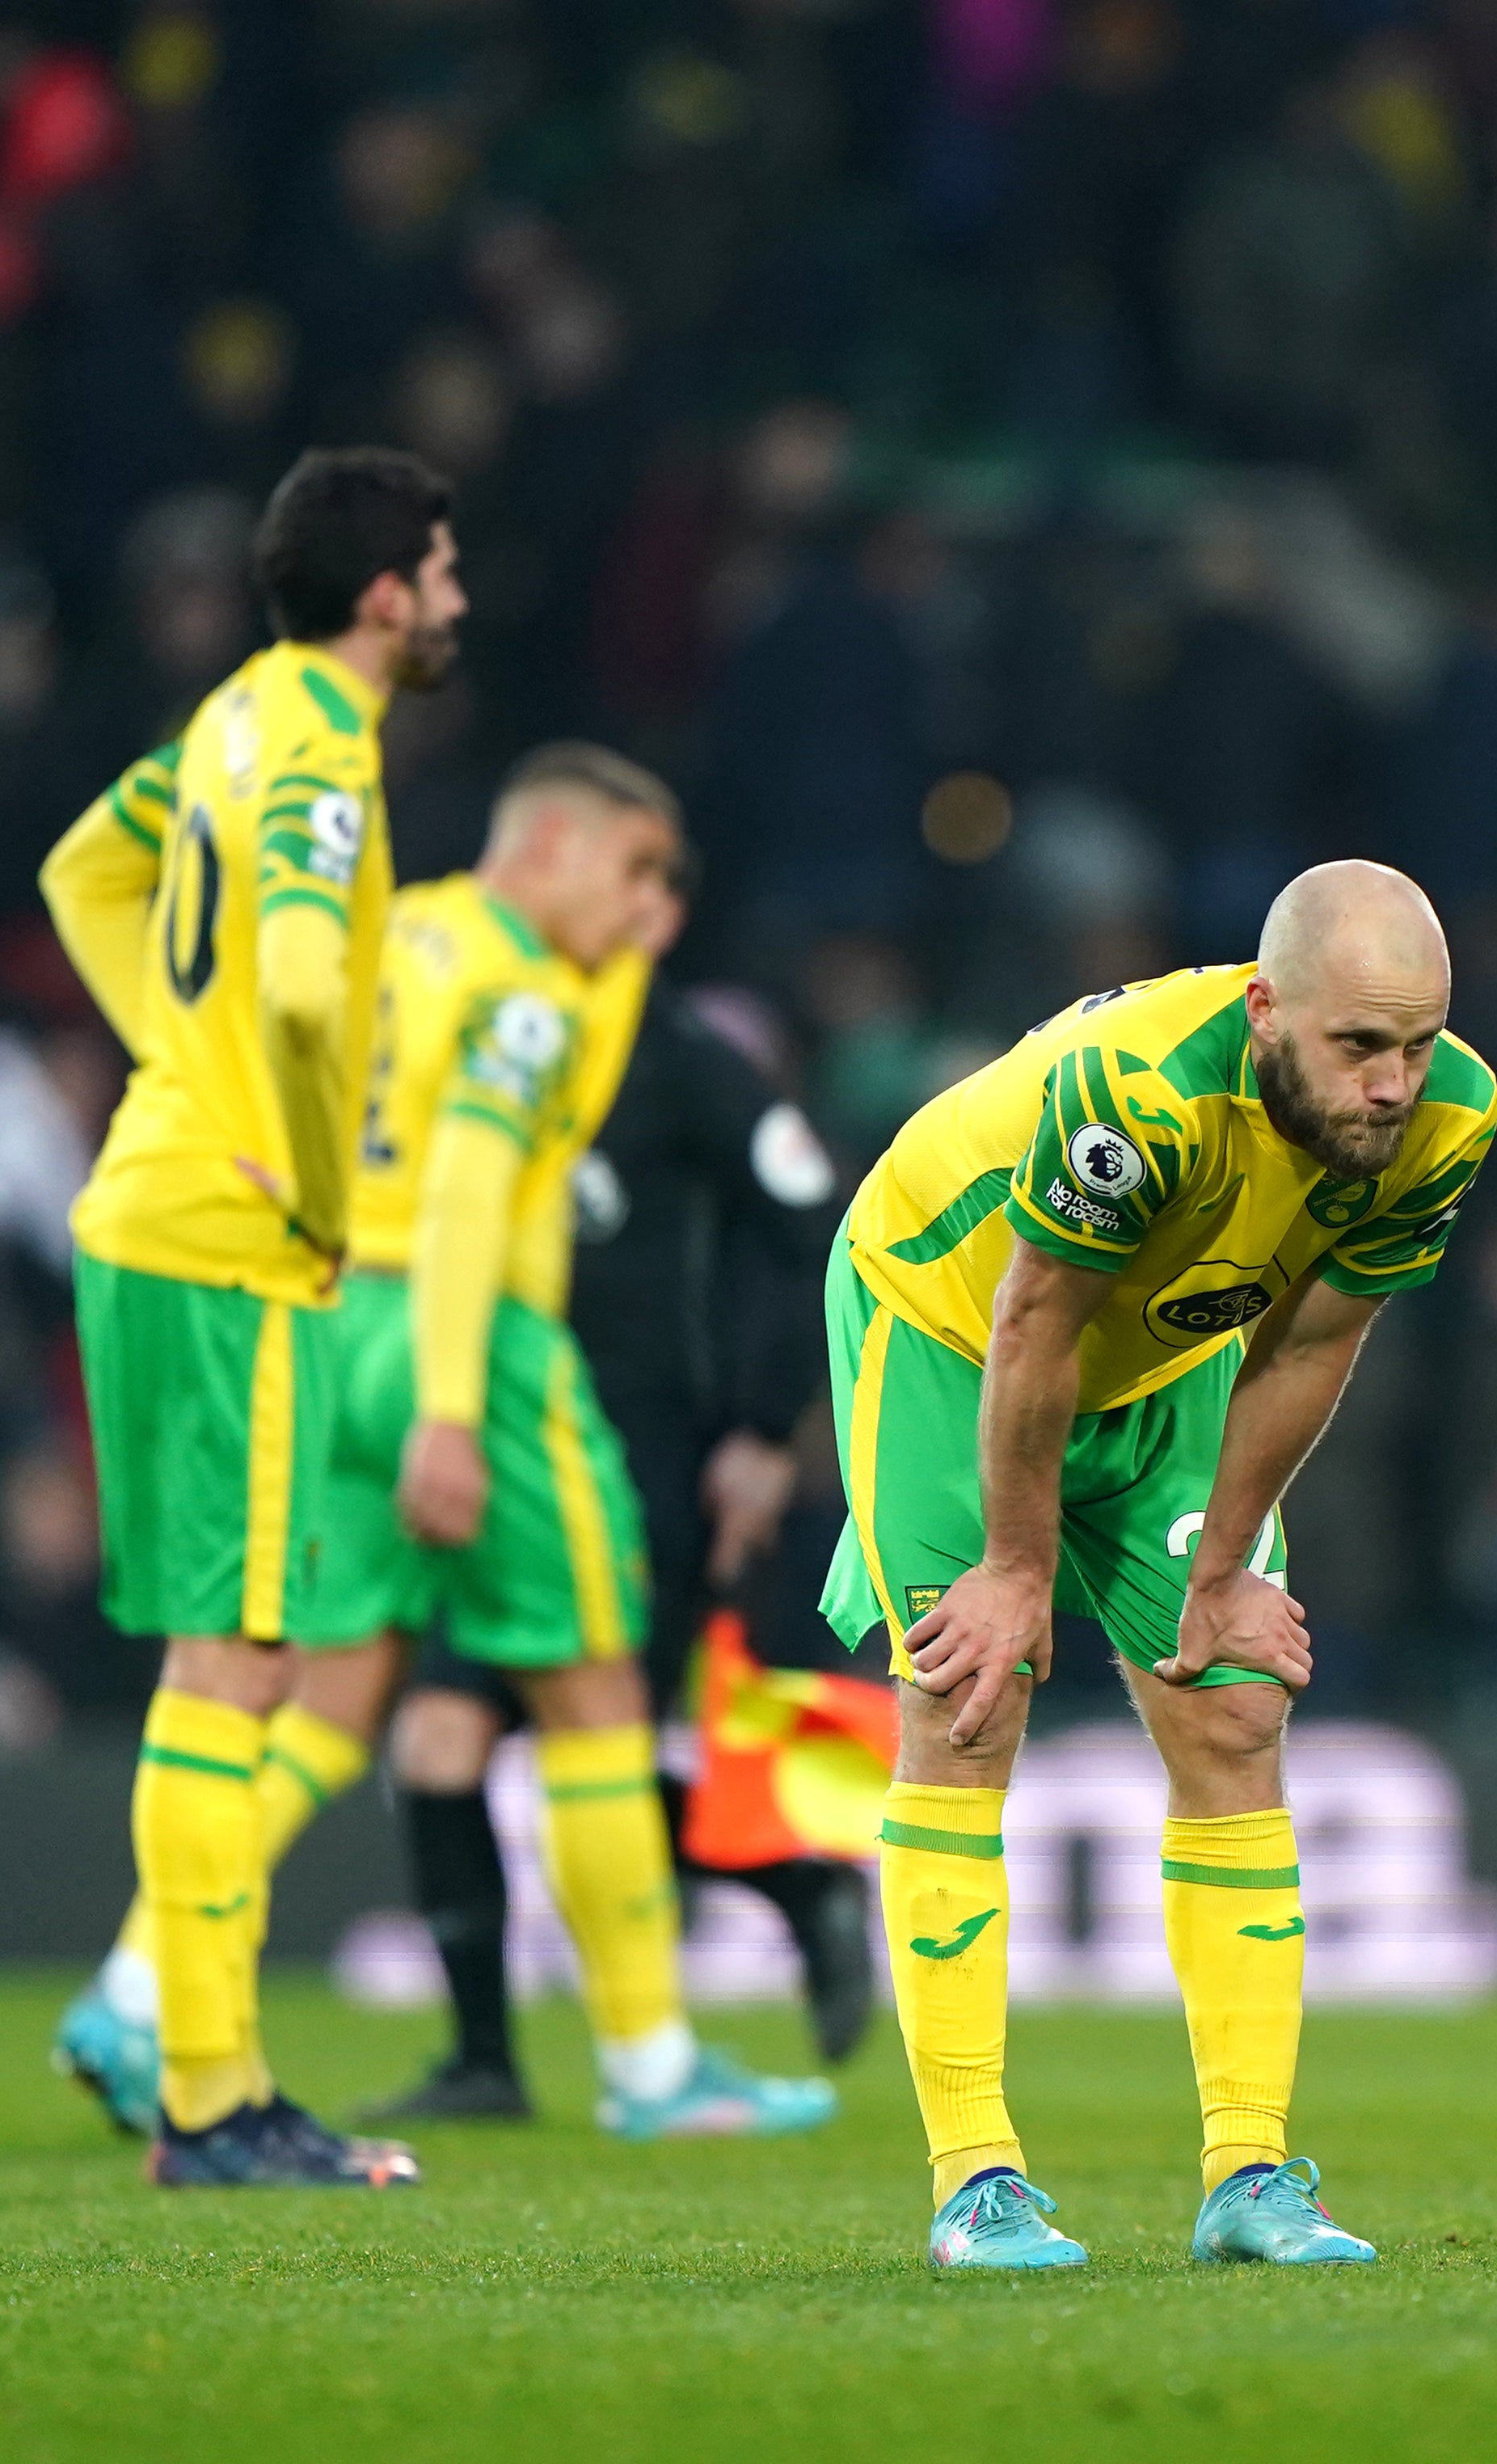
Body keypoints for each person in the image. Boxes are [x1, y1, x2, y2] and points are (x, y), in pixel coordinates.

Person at [824, 861, 1497, 2270]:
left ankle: (1251, 2175)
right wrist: (1016, 1564)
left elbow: (1314, 1342)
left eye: (1417, 1044)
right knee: (971, 1695)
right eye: (1358, 1047)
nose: (1393, 1084)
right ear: (1266, 1012)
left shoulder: (1450, 1119)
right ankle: (975, 2183)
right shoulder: (1134, 1092)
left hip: (1173, 1346)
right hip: (953, 1326)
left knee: (1238, 1697)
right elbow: (1034, 1326)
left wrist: (1228, 1567)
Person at [37, 445, 460, 2188]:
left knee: (229, 1657)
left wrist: (168, 1055)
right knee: (234, 1661)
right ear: (384, 596)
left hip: (160, 1203)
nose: (454, 597)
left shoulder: (226, 720)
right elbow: (295, 988)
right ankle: (210, 2099)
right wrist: (299, 1171)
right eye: (441, 569)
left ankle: (210, 2086)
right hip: (223, 1234)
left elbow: (84, 876)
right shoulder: (325, 747)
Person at [367, 820, 867, 2125]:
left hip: (634, 1453)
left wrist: (761, 1426)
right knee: (445, 1734)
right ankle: (488, 2057)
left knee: (573, 1724)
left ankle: (760, 1918)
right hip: (477, 1423)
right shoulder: (494, 1019)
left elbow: (805, 1223)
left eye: (657, 893)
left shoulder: (686, 1061)